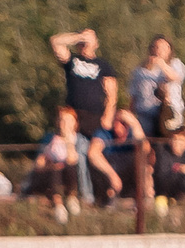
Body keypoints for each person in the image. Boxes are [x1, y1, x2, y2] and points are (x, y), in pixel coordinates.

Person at [48, 28, 126, 204]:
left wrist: (108, 116)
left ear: (97, 43)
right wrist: (78, 37)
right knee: (78, 154)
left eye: (90, 36)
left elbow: (112, 93)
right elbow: (55, 42)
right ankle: (84, 195)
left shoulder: (103, 65)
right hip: (74, 117)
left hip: (97, 117)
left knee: (96, 155)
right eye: (84, 36)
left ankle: (105, 193)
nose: (86, 40)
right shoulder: (72, 61)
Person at [19, 105, 92, 220]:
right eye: (61, 119)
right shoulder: (49, 139)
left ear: (75, 123)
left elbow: (74, 162)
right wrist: (49, 155)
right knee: (55, 169)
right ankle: (59, 205)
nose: (64, 123)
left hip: (72, 177)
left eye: (68, 120)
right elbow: (38, 164)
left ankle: (72, 197)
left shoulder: (81, 141)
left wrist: (68, 143)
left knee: (68, 167)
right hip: (50, 176)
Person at [128, 37, 185, 138]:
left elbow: (175, 77)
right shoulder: (140, 70)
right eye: (157, 47)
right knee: (143, 143)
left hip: (168, 113)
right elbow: (134, 95)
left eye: (164, 48)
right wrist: (131, 113)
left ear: (170, 50)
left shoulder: (175, 64)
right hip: (145, 114)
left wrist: (161, 64)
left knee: (166, 145)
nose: (159, 50)